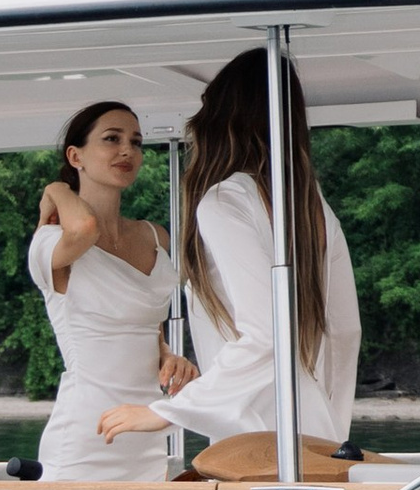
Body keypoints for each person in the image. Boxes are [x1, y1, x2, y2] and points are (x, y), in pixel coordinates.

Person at [96, 47, 360, 459]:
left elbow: (267, 335)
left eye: (206, 106)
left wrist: (169, 411)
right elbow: (344, 333)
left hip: (256, 442)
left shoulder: (226, 201)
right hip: (316, 436)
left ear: (220, 118)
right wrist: (328, 427)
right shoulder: (311, 206)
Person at [27, 100, 197, 483]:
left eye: (136, 142)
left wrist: (169, 355)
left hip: (147, 431)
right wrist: (56, 189)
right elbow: (86, 228)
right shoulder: (50, 241)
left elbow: (145, 323)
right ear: (76, 156)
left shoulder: (154, 235)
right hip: (87, 438)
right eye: (112, 139)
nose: (127, 151)